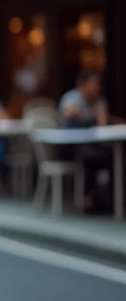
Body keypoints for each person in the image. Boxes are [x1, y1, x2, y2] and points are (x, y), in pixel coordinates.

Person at [60, 69, 113, 211]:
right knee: (90, 157)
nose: (97, 87)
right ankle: (88, 199)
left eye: (98, 84)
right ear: (82, 85)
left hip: (93, 145)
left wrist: (97, 116)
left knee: (109, 157)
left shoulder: (99, 101)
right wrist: (91, 116)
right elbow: (71, 112)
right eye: (93, 83)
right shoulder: (72, 97)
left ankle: (106, 199)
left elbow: (102, 125)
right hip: (69, 147)